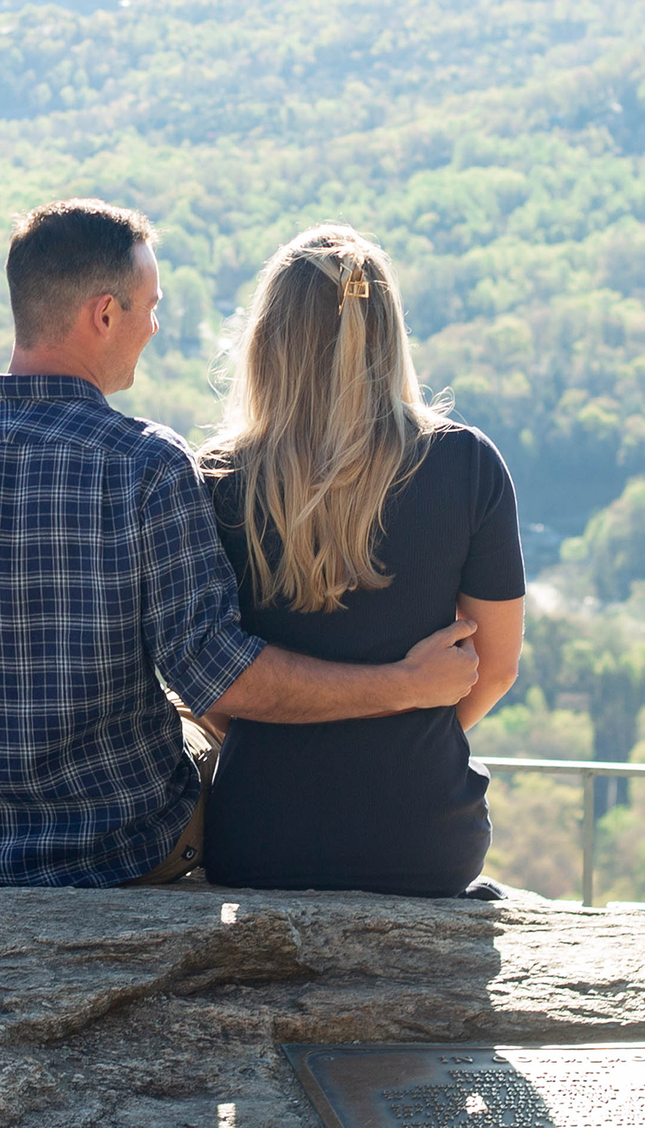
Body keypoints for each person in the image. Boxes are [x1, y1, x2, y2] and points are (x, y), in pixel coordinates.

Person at [0, 198, 483, 887]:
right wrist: (402, 686)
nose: (155, 325)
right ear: (104, 314)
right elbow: (220, 675)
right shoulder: (145, 466)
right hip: (122, 849)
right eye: (149, 305)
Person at [197, 225, 524, 898]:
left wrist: (297, 719)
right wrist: (404, 712)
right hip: (426, 839)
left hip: (260, 838)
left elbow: (213, 688)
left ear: (267, 340)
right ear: (389, 332)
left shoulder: (217, 480)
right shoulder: (468, 465)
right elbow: (494, 669)